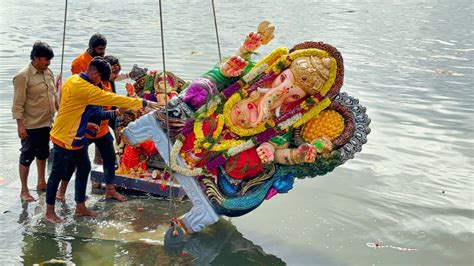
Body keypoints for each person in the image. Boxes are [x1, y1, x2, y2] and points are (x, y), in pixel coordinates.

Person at [45, 57, 160, 223]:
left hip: (77, 135)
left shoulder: (73, 78)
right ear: (93, 72)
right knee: (56, 173)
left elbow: (72, 107)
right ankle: (49, 212)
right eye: (99, 78)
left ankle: (80, 206)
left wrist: (87, 123)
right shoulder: (84, 87)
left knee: (84, 168)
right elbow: (112, 99)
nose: (99, 82)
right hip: (63, 137)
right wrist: (144, 103)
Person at [56, 55, 127, 202]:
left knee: (110, 157)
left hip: (102, 130)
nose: (116, 75)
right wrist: (117, 111)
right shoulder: (94, 85)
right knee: (72, 163)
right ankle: (61, 191)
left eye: (117, 72)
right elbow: (95, 112)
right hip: (86, 130)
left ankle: (110, 190)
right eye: (113, 72)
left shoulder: (109, 83)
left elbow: (113, 103)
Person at [12, 41, 58, 202]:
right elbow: (17, 104)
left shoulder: (48, 72)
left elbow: (53, 95)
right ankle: (24, 189)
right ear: (36, 58)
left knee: (43, 152)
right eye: (46, 59)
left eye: (50, 60)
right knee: (27, 155)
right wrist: (20, 126)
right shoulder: (23, 76)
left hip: (46, 121)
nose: (48, 63)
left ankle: (41, 182)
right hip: (30, 124)